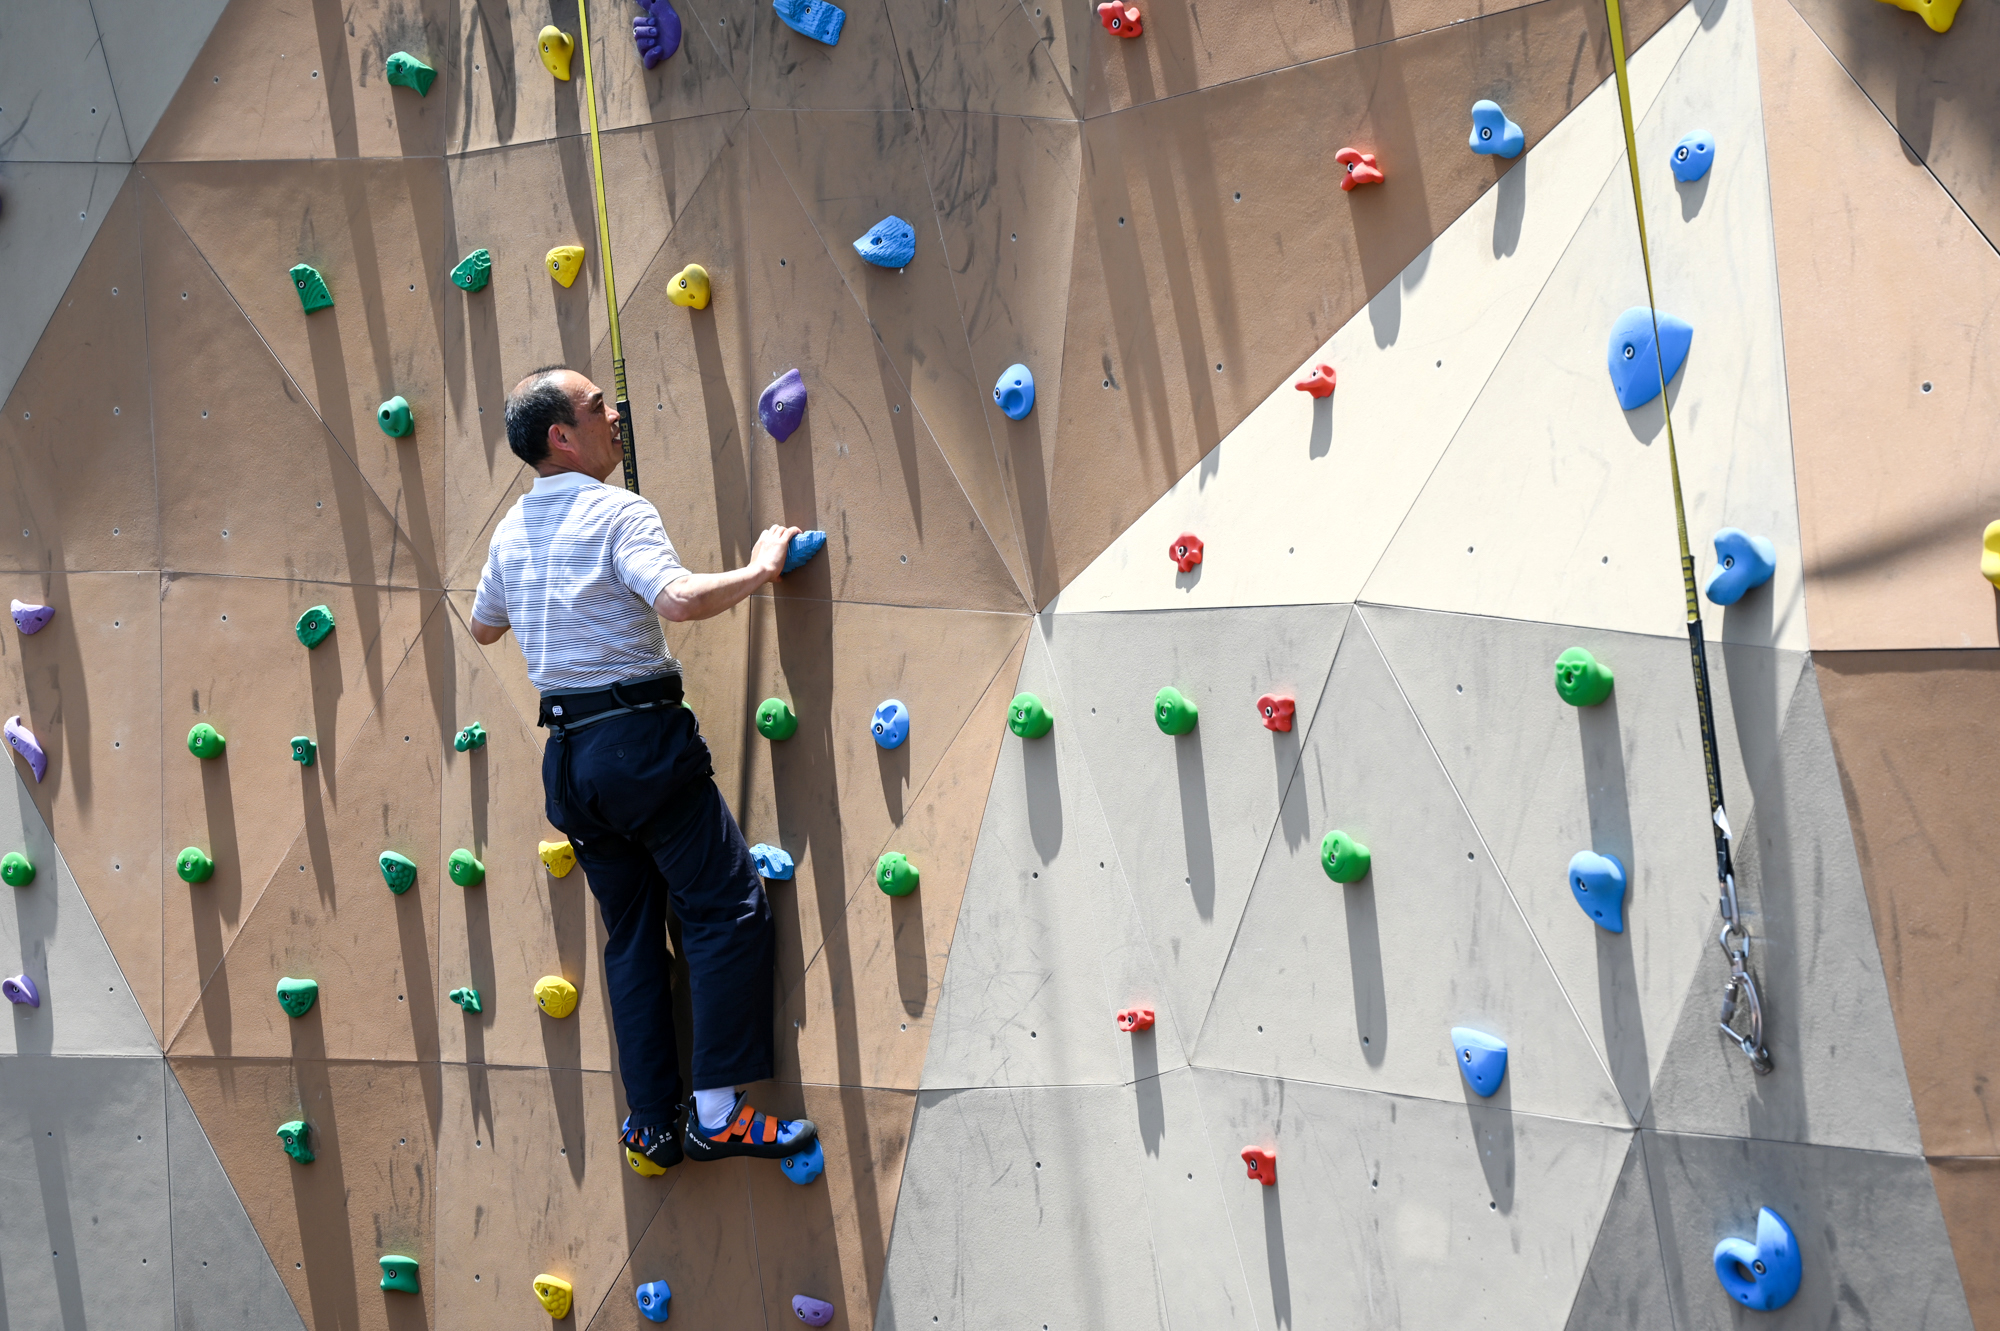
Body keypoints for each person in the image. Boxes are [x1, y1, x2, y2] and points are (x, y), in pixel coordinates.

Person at [469, 365, 813, 1172]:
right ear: (561, 435)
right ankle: (718, 1113)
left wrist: (554, 602)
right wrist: (762, 569)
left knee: (630, 939)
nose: (614, 414)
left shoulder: (511, 532)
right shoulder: (617, 510)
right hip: (641, 745)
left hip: (574, 764)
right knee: (725, 907)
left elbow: (486, 626)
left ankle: (652, 1123)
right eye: (597, 408)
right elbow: (680, 600)